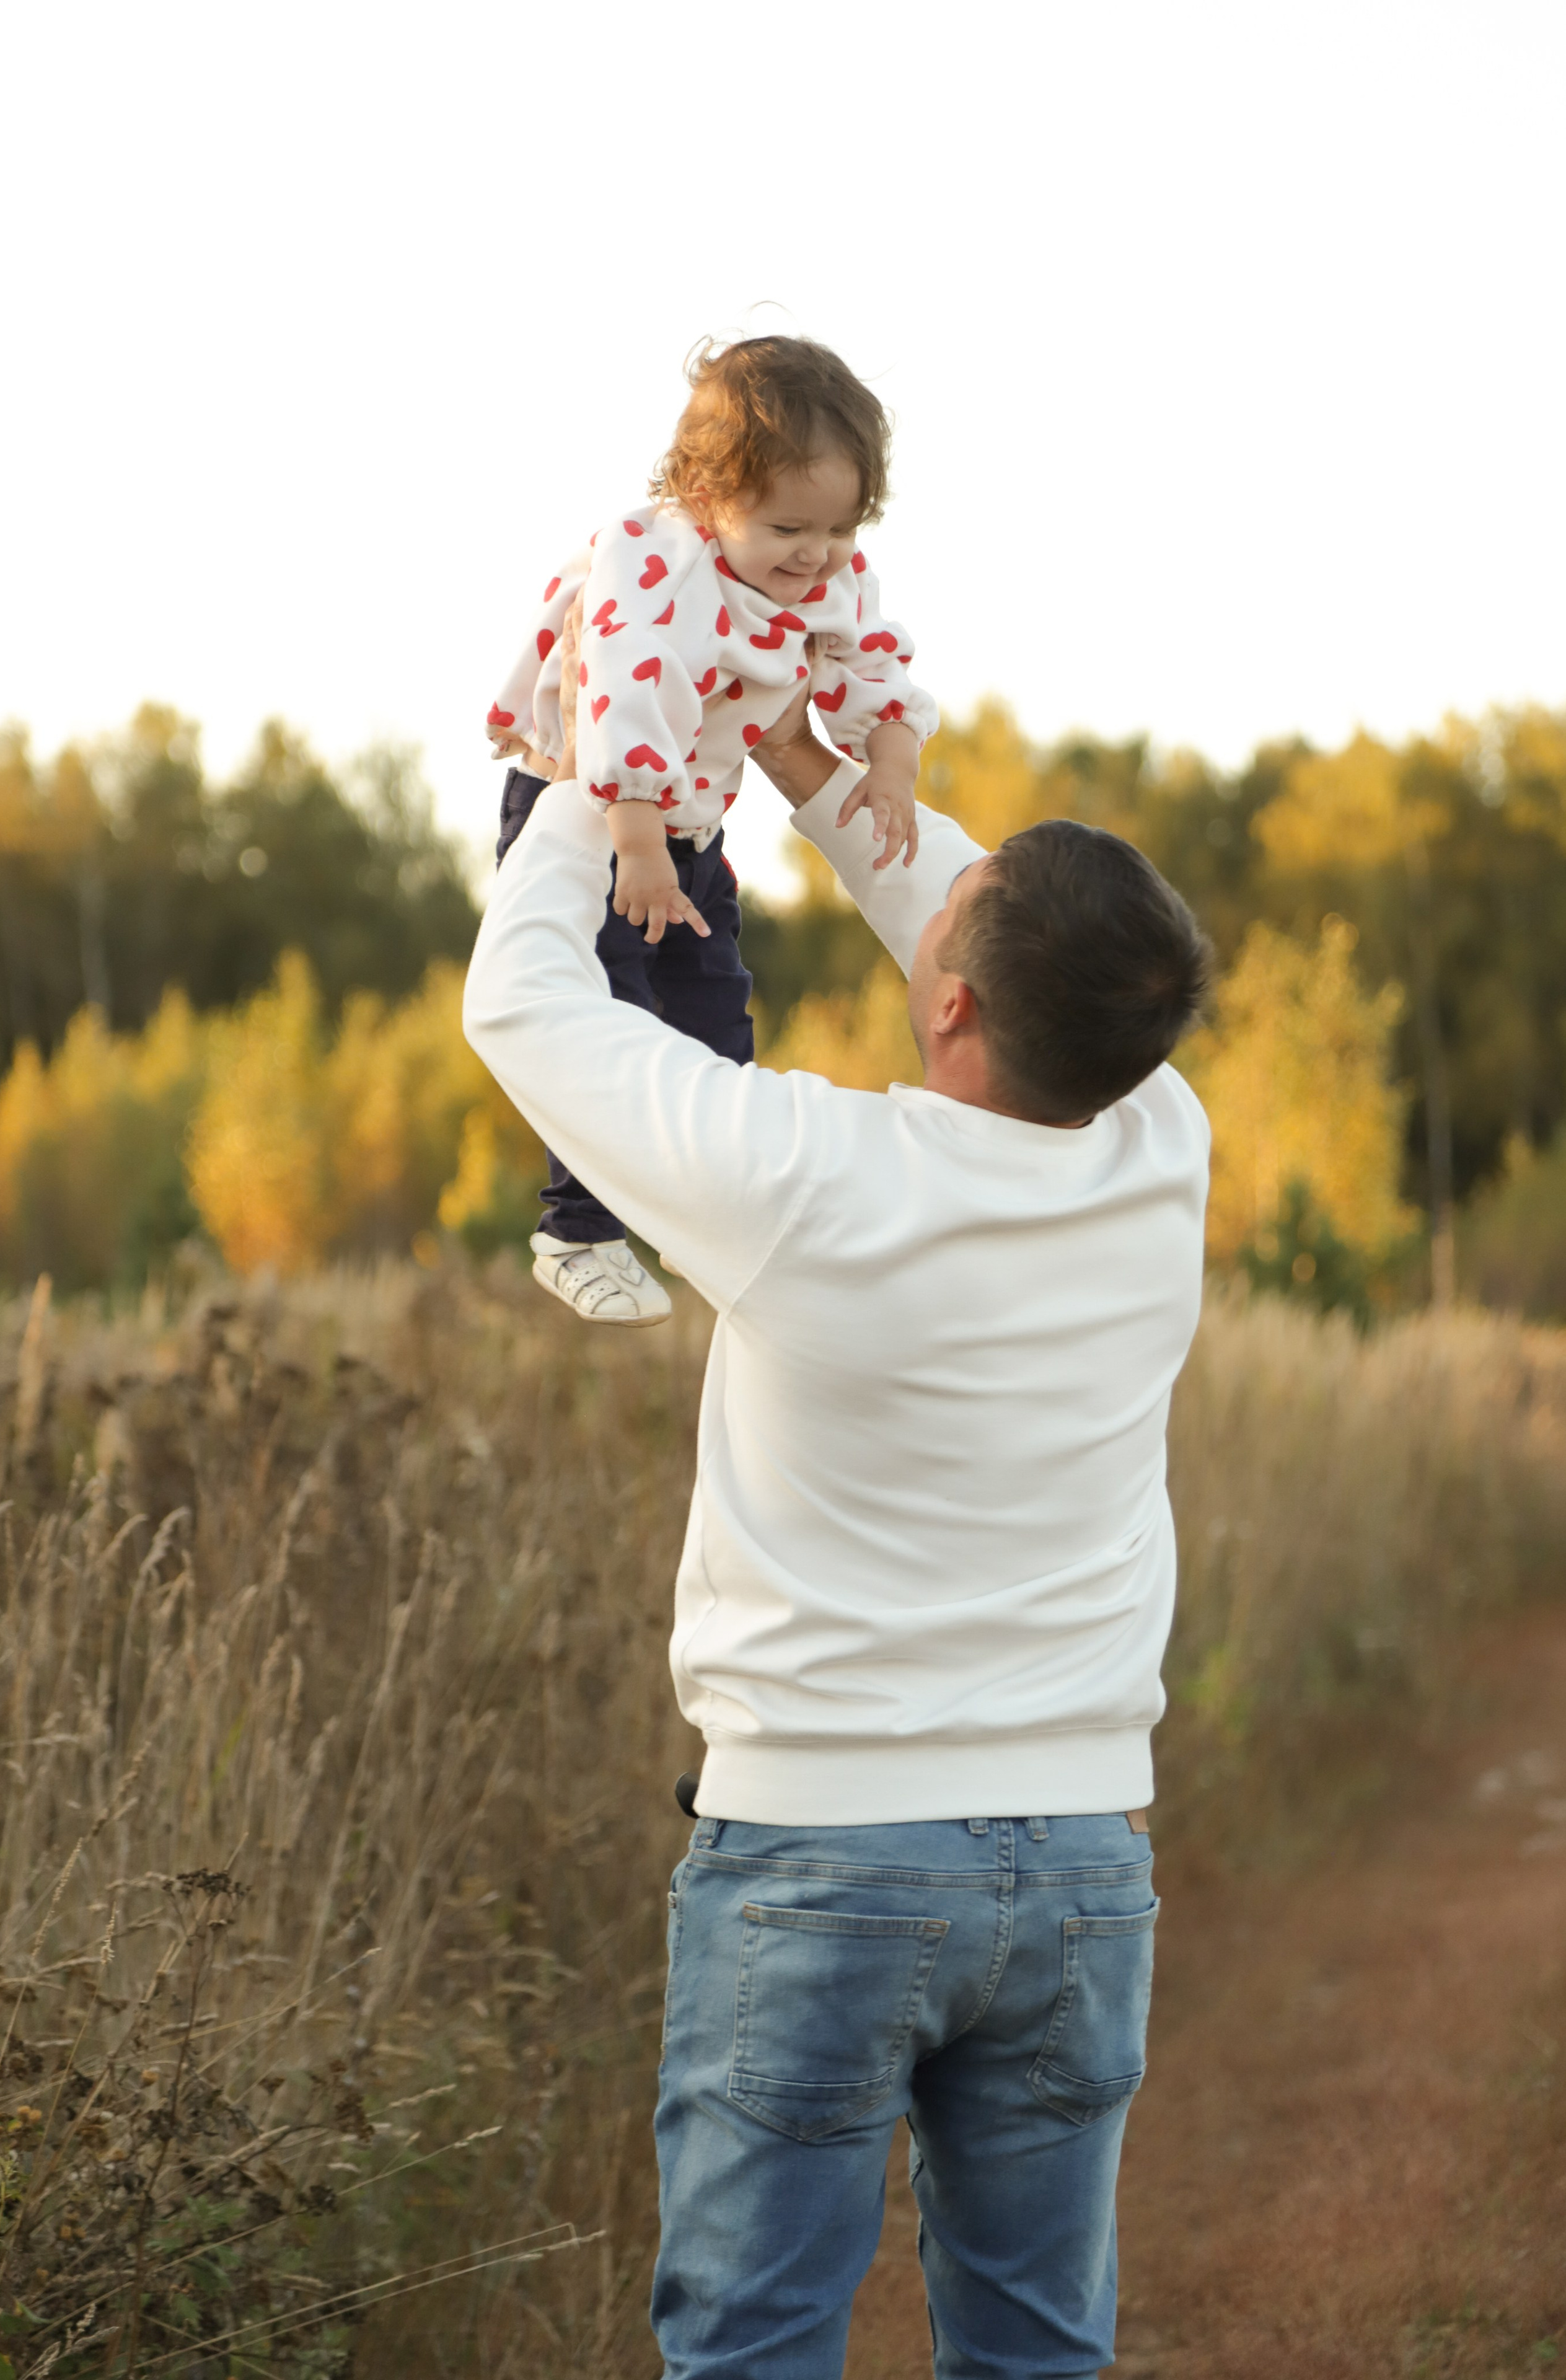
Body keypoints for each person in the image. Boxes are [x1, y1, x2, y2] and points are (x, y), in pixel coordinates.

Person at [462, 623, 1212, 2379]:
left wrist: (612, 774)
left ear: (948, 997)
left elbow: (526, 1002)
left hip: (823, 1859)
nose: (932, 897)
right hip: (1087, 1856)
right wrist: (806, 767)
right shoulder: (1158, 1145)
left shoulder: (808, 1174)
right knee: (1038, 2355)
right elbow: (1007, 950)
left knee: (756, 2353)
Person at [485, 334, 936, 1328]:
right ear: (705, 494)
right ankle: (578, 1230)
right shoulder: (656, 563)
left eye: (838, 528)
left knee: (713, 1006)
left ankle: (707, 1212)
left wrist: (891, 760)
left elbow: (872, 660)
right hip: (590, 800)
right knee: (603, 1007)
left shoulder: (823, 571)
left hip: (685, 826)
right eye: (788, 528)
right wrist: (634, 845)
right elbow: (617, 693)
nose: (815, 555)